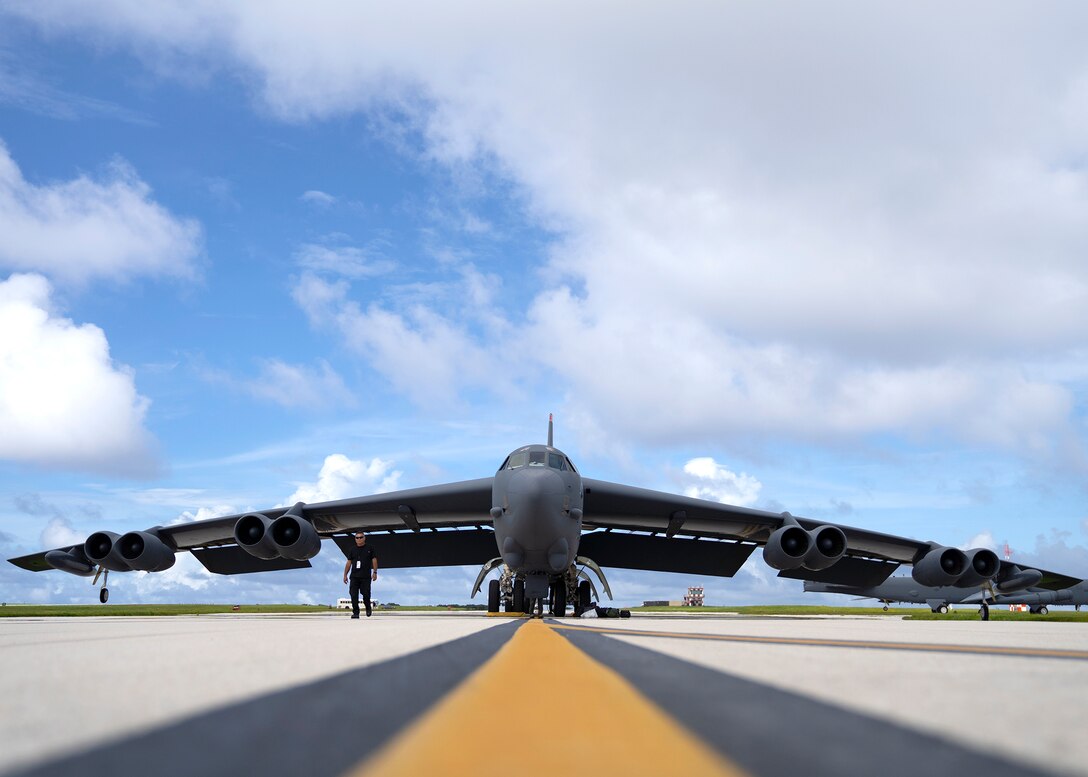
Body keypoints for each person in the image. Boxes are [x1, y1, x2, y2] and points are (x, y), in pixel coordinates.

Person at [342, 532, 378, 619]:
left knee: (365, 594)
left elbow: (374, 560)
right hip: (354, 576)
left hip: (365, 576)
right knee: (353, 594)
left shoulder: (370, 548)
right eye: (357, 538)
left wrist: (375, 572)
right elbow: (349, 562)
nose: (359, 539)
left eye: (361, 537)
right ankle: (356, 612)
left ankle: (368, 608)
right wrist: (345, 575)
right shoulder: (352, 549)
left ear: (364, 538)